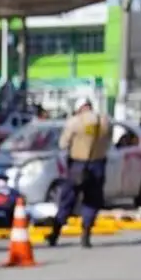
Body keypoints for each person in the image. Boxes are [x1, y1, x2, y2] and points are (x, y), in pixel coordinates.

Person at [46, 96, 113, 249]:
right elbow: (109, 142)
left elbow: (63, 143)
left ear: (79, 108)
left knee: (67, 200)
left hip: (78, 164)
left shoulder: (75, 122)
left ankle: (55, 234)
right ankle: (86, 235)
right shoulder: (105, 121)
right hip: (98, 164)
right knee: (92, 201)